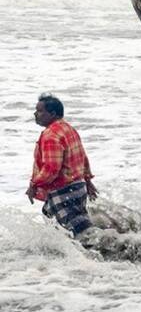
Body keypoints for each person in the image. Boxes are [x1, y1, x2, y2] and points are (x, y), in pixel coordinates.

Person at [26, 94, 98, 237]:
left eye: (40, 111)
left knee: (81, 235)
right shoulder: (68, 129)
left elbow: (51, 168)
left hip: (63, 191)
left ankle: (105, 252)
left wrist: (33, 184)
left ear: (53, 114)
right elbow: (82, 156)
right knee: (51, 216)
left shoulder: (51, 135)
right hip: (78, 187)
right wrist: (88, 180)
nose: (35, 114)